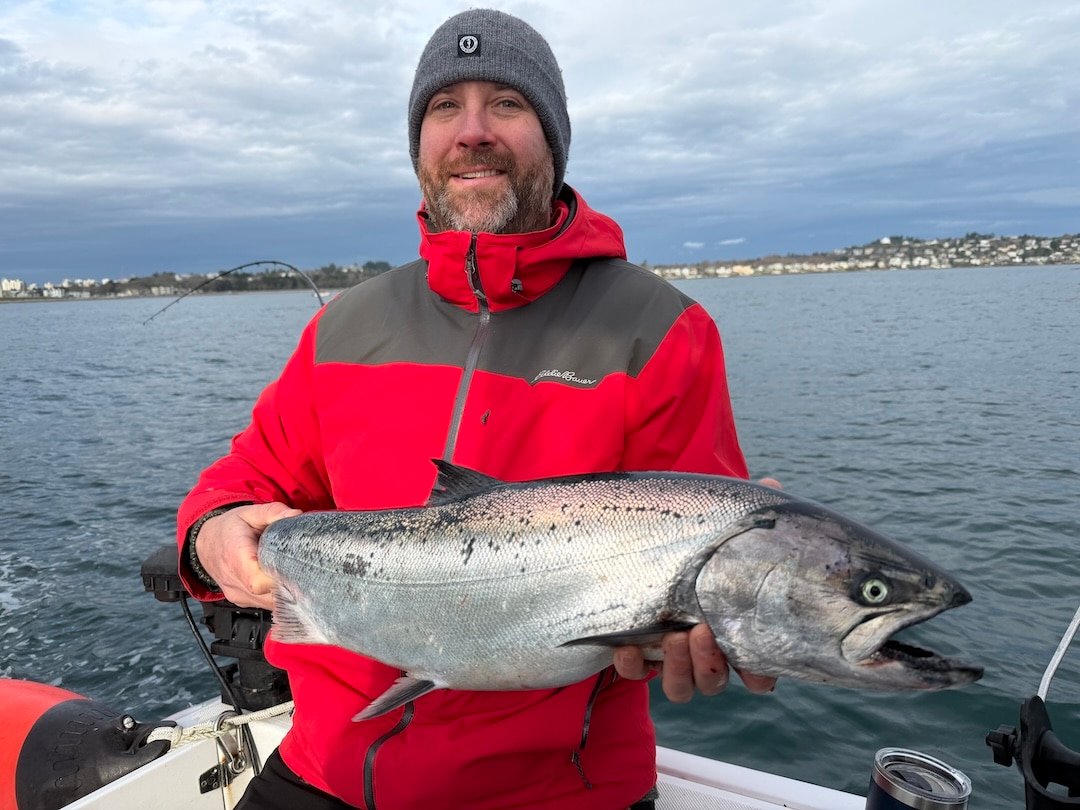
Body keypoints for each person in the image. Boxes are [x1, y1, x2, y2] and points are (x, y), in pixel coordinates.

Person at [177, 8, 774, 809]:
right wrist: (213, 529)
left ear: (553, 138)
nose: (473, 131)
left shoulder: (661, 332)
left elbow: (702, 550)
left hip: (556, 791)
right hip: (325, 765)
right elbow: (246, 475)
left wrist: (708, 626)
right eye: (444, 107)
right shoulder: (344, 326)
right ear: (419, 143)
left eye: (508, 103)